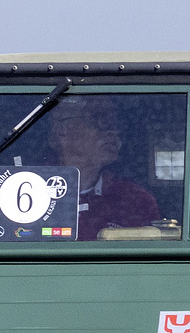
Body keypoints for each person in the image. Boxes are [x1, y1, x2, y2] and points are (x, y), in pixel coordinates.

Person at [47, 97, 161, 240]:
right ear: (61, 131)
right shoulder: (30, 188)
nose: (113, 131)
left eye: (116, 123)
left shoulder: (135, 200)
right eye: (98, 120)